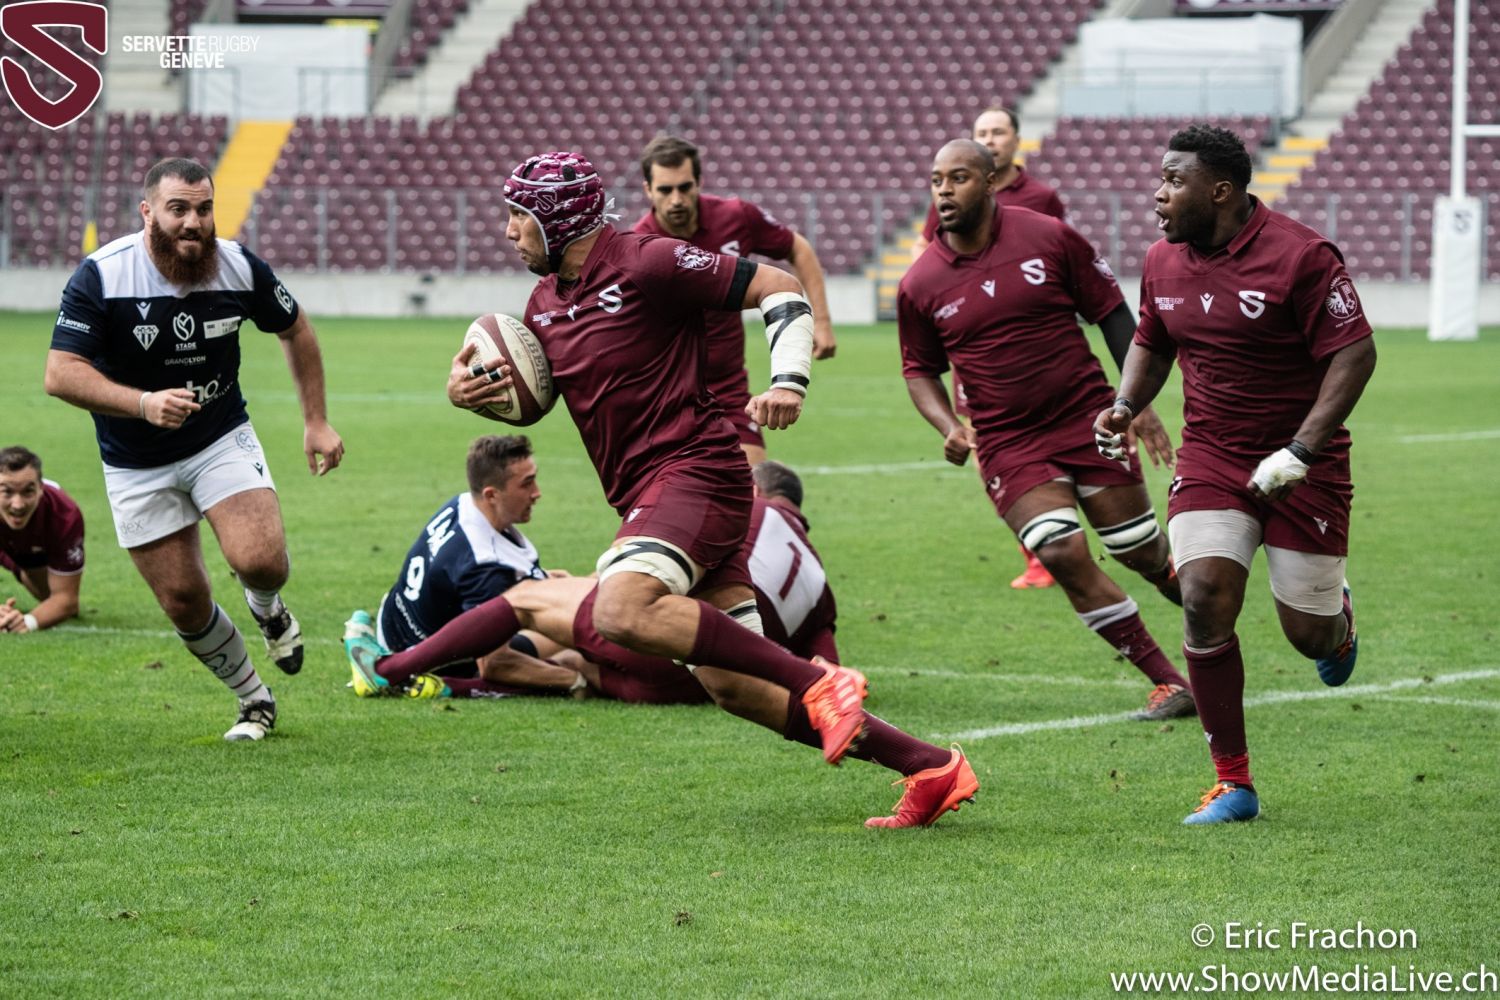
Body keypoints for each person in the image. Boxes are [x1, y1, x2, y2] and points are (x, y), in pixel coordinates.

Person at [359, 151, 975, 828]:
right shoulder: (543, 304)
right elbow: (539, 400)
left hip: (696, 473)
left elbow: (778, 285)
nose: (509, 231)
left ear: (557, 220)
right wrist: (469, 392)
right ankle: (929, 767)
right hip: (651, 494)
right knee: (737, 690)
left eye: (518, 216)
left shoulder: (648, 261)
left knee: (619, 609)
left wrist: (789, 380)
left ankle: (822, 681)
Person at [348, 458, 969, 826]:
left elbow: (677, 571)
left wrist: (604, 582)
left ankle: (393, 668)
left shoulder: (742, 509)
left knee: (530, 601)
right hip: (700, 684)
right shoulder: (817, 575)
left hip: (672, 648)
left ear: (754, 491)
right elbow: (827, 656)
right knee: (582, 659)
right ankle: (926, 763)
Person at [1094, 124, 1376, 825]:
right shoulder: (1161, 259)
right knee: (1202, 596)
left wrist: (1302, 450)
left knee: (1307, 636)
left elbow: (1355, 354)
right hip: (1211, 456)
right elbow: (1152, 339)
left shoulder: (1303, 256)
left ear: (1220, 190)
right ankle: (1233, 783)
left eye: (1173, 180)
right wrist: (1126, 404)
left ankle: (1337, 625)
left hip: (1304, 463)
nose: (1158, 195)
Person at [44, 156, 343, 741]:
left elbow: (295, 327)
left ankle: (266, 606)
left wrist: (316, 421)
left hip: (217, 436)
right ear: (147, 212)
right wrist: (142, 403)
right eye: (178, 209)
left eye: (204, 209)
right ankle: (254, 699)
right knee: (183, 598)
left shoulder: (238, 266)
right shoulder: (102, 276)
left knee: (262, 560)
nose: (193, 222)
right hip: (134, 458)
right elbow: (60, 373)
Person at [898, 139, 1193, 723]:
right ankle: (1169, 681)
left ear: (990, 182)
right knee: (1059, 550)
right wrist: (948, 424)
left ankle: (1212, 634)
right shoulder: (920, 283)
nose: (944, 191)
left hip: (1087, 419)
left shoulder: (1048, 237)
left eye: (958, 178)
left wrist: (1134, 402)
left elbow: (1112, 312)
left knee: (1141, 550)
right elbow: (918, 370)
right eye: (936, 180)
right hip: (1008, 443)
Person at [911, 107, 1069, 591]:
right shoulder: (952, 196)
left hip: (1038, 351)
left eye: (998, 132)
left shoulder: (1041, 199)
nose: (991, 139)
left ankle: (1068, 529)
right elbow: (926, 252)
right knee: (987, 447)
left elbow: (1060, 257)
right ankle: (1038, 552)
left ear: (1017, 140)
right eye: (982, 132)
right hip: (976, 349)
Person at [631, 135, 836, 466]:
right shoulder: (638, 246)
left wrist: (822, 322)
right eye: (665, 190)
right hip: (669, 396)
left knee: (754, 487)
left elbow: (797, 248)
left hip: (729, 390)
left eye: (685, 187)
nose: (676, 199)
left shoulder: (736, 216)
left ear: (699, 182)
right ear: (648, 190)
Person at [0, 446, 84, 633]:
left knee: (52, 601)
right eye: (7, 492)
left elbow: (67, 600)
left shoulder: (64, 515)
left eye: (27, 492)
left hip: (31, 554)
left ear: (40, 489)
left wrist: (26, 622)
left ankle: (24, 569)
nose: (18, 504)